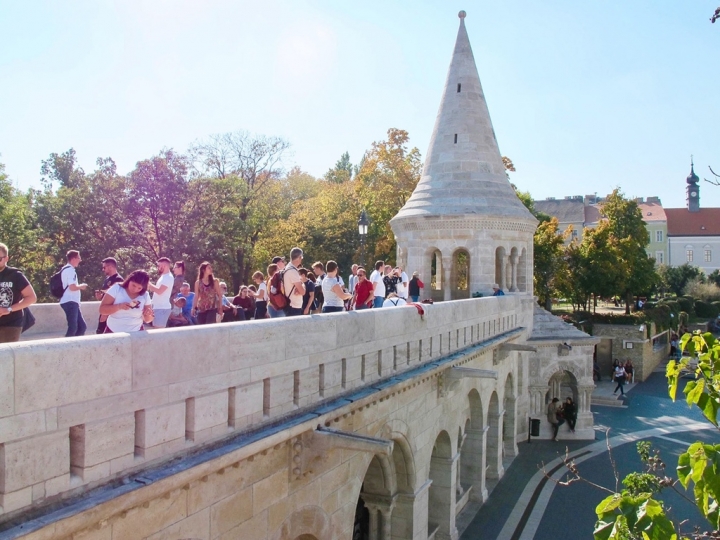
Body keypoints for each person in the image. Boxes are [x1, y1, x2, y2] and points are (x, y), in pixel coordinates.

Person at [0, 242, 37, 343]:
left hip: (11, 324)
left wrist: (8, 309)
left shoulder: (15, 275)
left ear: (6, 258)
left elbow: (31, 297)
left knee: (5, 356)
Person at [59, 250, 89, 337]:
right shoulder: (70, 270)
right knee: (73, 328)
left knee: (81, 327)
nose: (80, 260)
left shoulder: (65, 269)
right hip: (70, 302)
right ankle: (66, 347)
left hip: (70, 302)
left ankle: (75, 346)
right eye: (79, 258)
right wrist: (81, 286)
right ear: (73, 258)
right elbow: (72, 287)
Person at [94, 257, 124, 334]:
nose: (103, 269)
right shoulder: (107, 279)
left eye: (104, 267)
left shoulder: (118, 279)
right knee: (100, 331)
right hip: (104, 309)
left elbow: (115, 295)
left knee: (105, 333)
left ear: (110, 267)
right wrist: (100, 297)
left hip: (111, 311)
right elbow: (107, 295)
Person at [147, 257, 174, 328]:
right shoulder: (163, 276)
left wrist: (148, 283)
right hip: (158, 307)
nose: (158, 268)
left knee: (158, 332)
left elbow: (159, 291)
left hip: (162, 308)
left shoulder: (168, 277)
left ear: (164, 266)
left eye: (159, 266)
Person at [283, 248, 306, 317]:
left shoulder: (287, 268)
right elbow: (302, 292)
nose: (302, 259)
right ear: (299, 257)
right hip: (293, 306)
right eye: (301, 257)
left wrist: (300, 285)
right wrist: (302, 285)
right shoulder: (293, 271)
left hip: (289, 305)